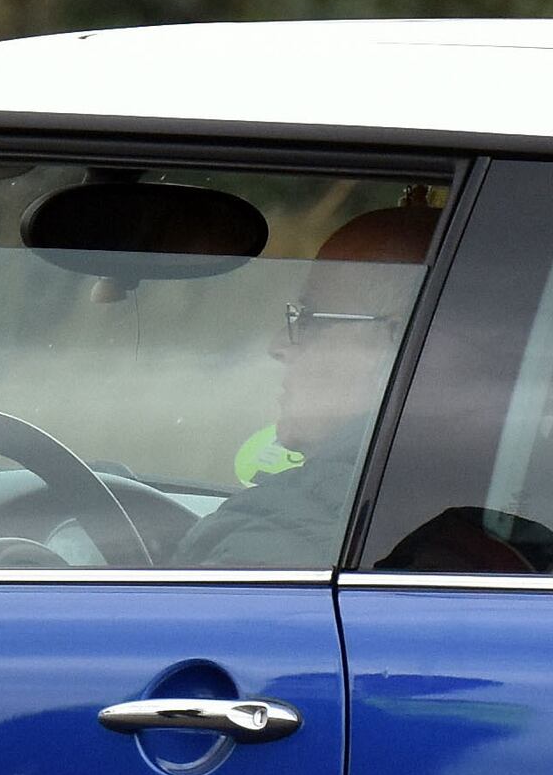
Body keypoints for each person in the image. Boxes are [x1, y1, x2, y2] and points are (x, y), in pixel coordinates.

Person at [178, 198, 439, 566]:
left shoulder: (281, 546)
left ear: (397, 340)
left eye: (310, 320)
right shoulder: (458, 499)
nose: (277, 346)